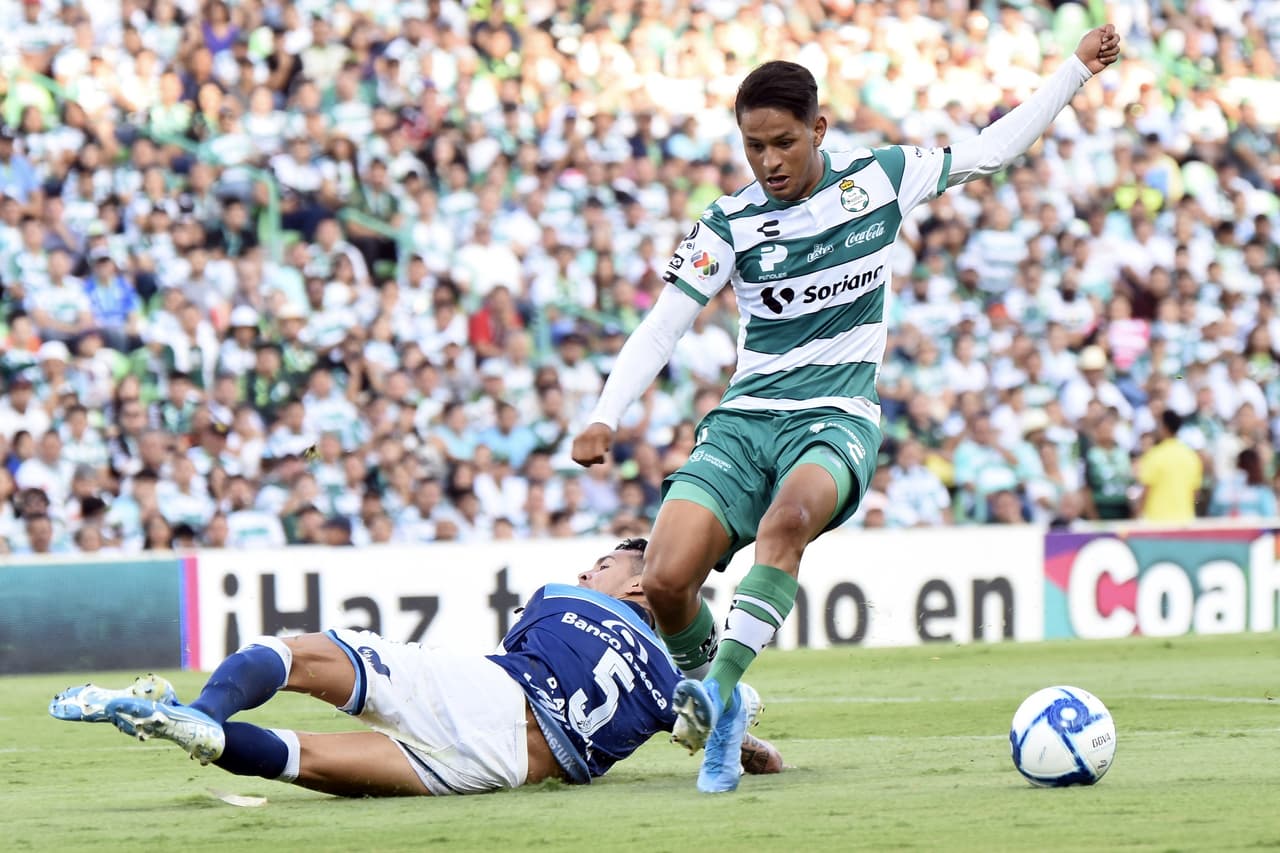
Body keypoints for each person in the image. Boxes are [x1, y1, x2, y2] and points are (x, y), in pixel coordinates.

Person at [571, 28, 1122, 792]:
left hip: (835, 414)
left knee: (788, 521)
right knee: (665, 581)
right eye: (753, 146)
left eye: (783, 143)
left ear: (818, 129)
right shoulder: (729, 222)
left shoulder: (879, 180)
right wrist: (605, 413)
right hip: (745, 421)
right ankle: (723, 708)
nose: (768, 162)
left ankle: (720, 685)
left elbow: (991, 150)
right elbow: (665, 320)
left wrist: (1073, 71)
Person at [49, 539, 781, 797]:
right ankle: (202, 737)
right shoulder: (666, 685)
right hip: (500, 771)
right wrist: (747, 741)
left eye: (603, 563)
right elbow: (736, 739)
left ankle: (203, 712)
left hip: (490, 693)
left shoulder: (559, 598)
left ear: (634, 583)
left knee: (303, 651)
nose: (584, 568)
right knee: (303, 759)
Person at [1135, 410, 1203, 522]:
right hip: (1185, 520)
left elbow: (1147, 489)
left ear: (1164, 428)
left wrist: (1138, 514)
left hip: (1157, 521)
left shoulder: (1154, 455)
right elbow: (1195, 494)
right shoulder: (1191, 456)